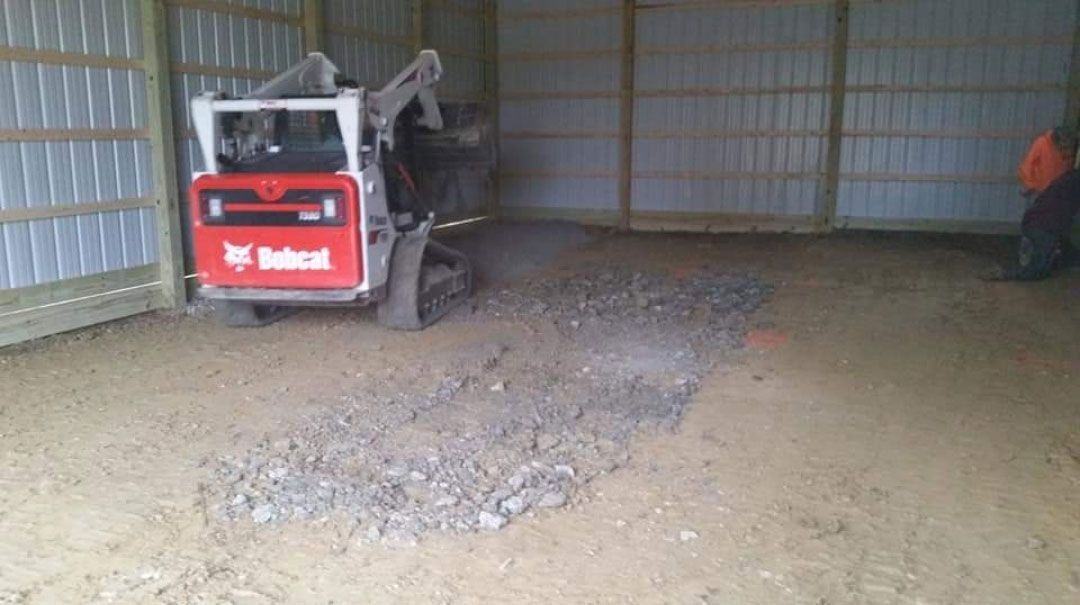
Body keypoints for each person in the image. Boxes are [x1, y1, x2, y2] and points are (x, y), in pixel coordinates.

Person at [998, 168, 1080, 281]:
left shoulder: (1069, 177)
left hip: (1039, 222)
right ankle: (1008, 275)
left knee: (1044, 263)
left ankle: (1024, 267)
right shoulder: (1074, 181)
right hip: (1043, 226)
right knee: (1038, 268)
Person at [1018, 126, 1077, 199]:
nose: (1064, 148)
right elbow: (1027, 165)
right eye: (1063, 145)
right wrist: (1030, 185)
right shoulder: (1041, 143)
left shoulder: (1066, 148)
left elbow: (1068, 166)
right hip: (1043, 190)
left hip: (1058, 189)